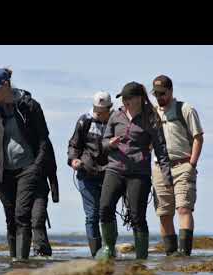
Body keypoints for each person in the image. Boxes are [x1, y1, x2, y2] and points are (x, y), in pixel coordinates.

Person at [0, 68, 59, 261]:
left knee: (22, 215)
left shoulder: (30, 106)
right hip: (3, 173)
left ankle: (22, 263)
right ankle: (13, 262)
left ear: (6, 85)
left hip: (28, 169)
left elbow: (44, 139)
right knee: (11, 219)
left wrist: (36, 166)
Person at [96, 82, 173, 260]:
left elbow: (161, 150)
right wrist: (110, 143)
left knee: (137, 216)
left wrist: (167, 178)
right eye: (123, 98)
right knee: (105, 207)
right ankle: (108, 249)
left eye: (128, 98)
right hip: (115, 168)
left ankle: (141, 258)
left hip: (139, 173)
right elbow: (103, 142)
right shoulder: (116, 115)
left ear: (139, 98)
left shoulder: (151, 118)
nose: (125, 101)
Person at [151, 75, 204, 256]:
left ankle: (184, 254)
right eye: (156, 94)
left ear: (171, 91)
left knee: (183, 208)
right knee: (164, 213)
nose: (159, 97)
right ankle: (170, 255)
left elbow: (198, 137)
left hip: (183, 166)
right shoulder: (152, 113)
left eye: (162, 94)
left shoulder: (185, 109)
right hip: (160, 169)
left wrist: (192, 164)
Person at [67, 91, 114, 257]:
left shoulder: (116, 121)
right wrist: (73, 160)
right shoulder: (84, 120)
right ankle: (96, 254)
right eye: (96, 109)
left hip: (109, 174)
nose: (98, 113)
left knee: (107, 212)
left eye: (102, 110)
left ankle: (109, 250)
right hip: (86, 174)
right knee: (92, 215)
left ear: (110, 108)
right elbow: (74, 144)